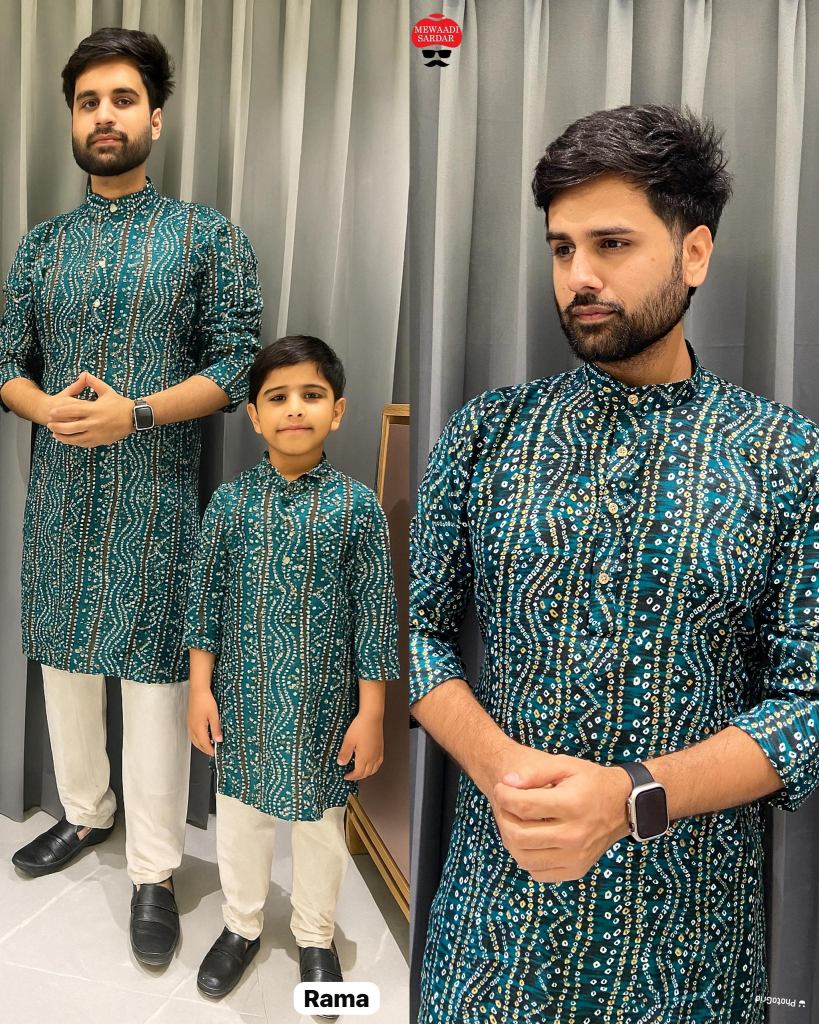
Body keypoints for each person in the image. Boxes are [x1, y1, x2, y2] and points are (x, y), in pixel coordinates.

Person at [410, 104, 819, 1023]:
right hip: (493, 919)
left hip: (687, 942)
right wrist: (500, 768)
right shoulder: (486, 434)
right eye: (561, 249)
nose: (579, 277)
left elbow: (807, 704)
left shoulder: (784, 458)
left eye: (611, 244)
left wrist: (630, 796)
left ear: (693, 253)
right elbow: (414, 633)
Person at [0, 28, 261, 966]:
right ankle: (84, 813)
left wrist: (135, 413)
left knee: (153, 684)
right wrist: (46, 409)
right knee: (64, 669)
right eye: (87, 103)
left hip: (157, 503)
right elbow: (6, 363)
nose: (103, 117)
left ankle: (154, 870)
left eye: (121, 100)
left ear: (155, 117)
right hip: (59, 501)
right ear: (72, 121)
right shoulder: (41, 248)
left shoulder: (207, 237)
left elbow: (236, 366)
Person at [185, 336, 399, 1006]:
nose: (295, 409)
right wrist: (199, 690)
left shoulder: (356, 507)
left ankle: (314, 936)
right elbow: (204, 603)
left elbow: (375, 616)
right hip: (243, 701)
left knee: (320, 828)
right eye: (277, 398)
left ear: (338, 409)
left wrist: (371, 713)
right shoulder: (229, 505)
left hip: (325, 708)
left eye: (311, 395)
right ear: (253, 416)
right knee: (241, 818)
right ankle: (241, 925)